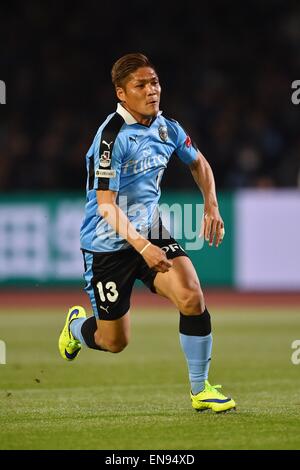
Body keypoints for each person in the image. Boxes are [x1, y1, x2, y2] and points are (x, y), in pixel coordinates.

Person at [58, 53, 236, 413]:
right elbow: (106, 206)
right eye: (141, 85)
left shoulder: (167, 127)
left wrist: (211, 205)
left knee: (191, 296)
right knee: (114, 342)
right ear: (122, 94)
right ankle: (76, 328)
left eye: (154, 82)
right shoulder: (111, 138)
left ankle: (200, 391)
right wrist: (141, 248)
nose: (152, 90)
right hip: (107, 243)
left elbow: (198, 163)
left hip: (150, 228)